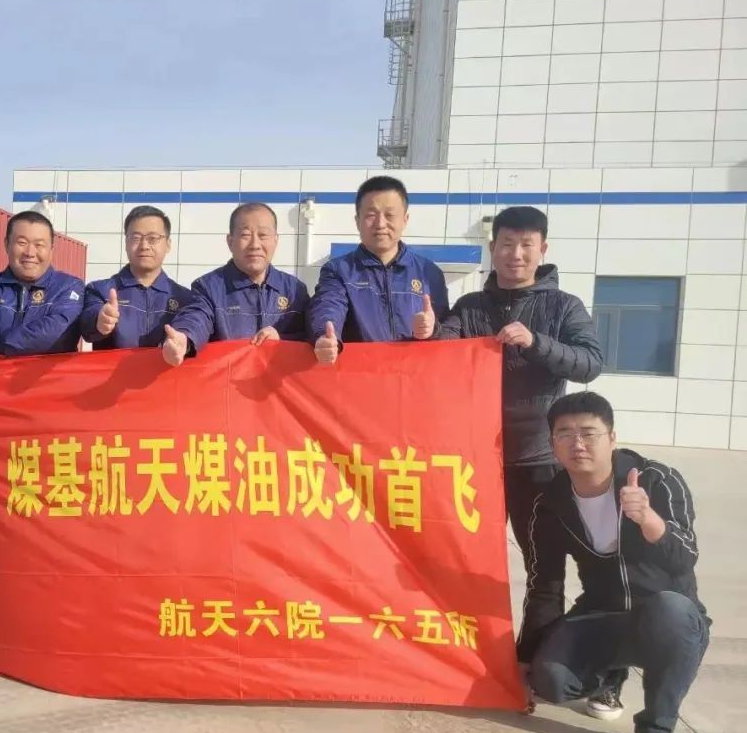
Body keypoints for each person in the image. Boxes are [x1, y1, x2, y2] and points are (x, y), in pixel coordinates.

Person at [519, 392, 707, 733]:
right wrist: (523, 661)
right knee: (550, 680)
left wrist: (648, 519)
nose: (578, 444)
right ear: (552, 443)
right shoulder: (551, 503)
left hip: (670, 615)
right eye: (565, 434)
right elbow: (545, 586)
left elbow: (685, 556)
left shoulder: (657, 480)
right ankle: (610, 675)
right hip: (603, 612)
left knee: (670, 612)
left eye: (589, 433)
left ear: (612, 437)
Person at [413, 206, 602, 561]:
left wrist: (536, 342)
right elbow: (443, 349)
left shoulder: (564, 306)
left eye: (526, 245)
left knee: (543, 564)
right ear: (492, 248)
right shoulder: (471, 306)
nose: (516, 254)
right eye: (507, 243)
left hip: (538, 458)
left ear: (542, 250)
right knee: (467, 558)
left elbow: (590, 363)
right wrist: (428, 332)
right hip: (475, 459)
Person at [309, 175, 449, 365]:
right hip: (362, 376)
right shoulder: (338, 270)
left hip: (413, 377)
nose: (380, 224)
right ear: (357, 221)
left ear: (405, 220)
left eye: (390, 215)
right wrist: (325, 336)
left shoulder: (429, 273)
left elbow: (449, 333)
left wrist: (433, 329)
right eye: (371, 215)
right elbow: (329, 307)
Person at [160, 203, 308, 367]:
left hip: (278, 382)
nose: (255, 245)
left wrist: (282, 340)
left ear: (276, 240)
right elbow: (196, 318)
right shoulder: (208, 288)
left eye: (263, 235)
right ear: (230, 241)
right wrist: (185, 339)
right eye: (245, 235)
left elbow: (309, 337)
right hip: (228, 382)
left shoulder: (295, 290)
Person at [0, 211, 84, 357]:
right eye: (22, 243)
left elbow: (56, 332)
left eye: (39, 245)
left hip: (51, 373)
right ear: (7, 245)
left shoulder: (68, 287)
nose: (30, 252)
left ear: (51, 250)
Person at [79, 205, 195, 349]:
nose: (144, 246)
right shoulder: (101, 291)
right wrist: (99, 321)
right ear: (126, 243)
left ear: (168, 245)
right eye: (136, 238)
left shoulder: (185, 299)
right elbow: (86, 324)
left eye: (153, 238)